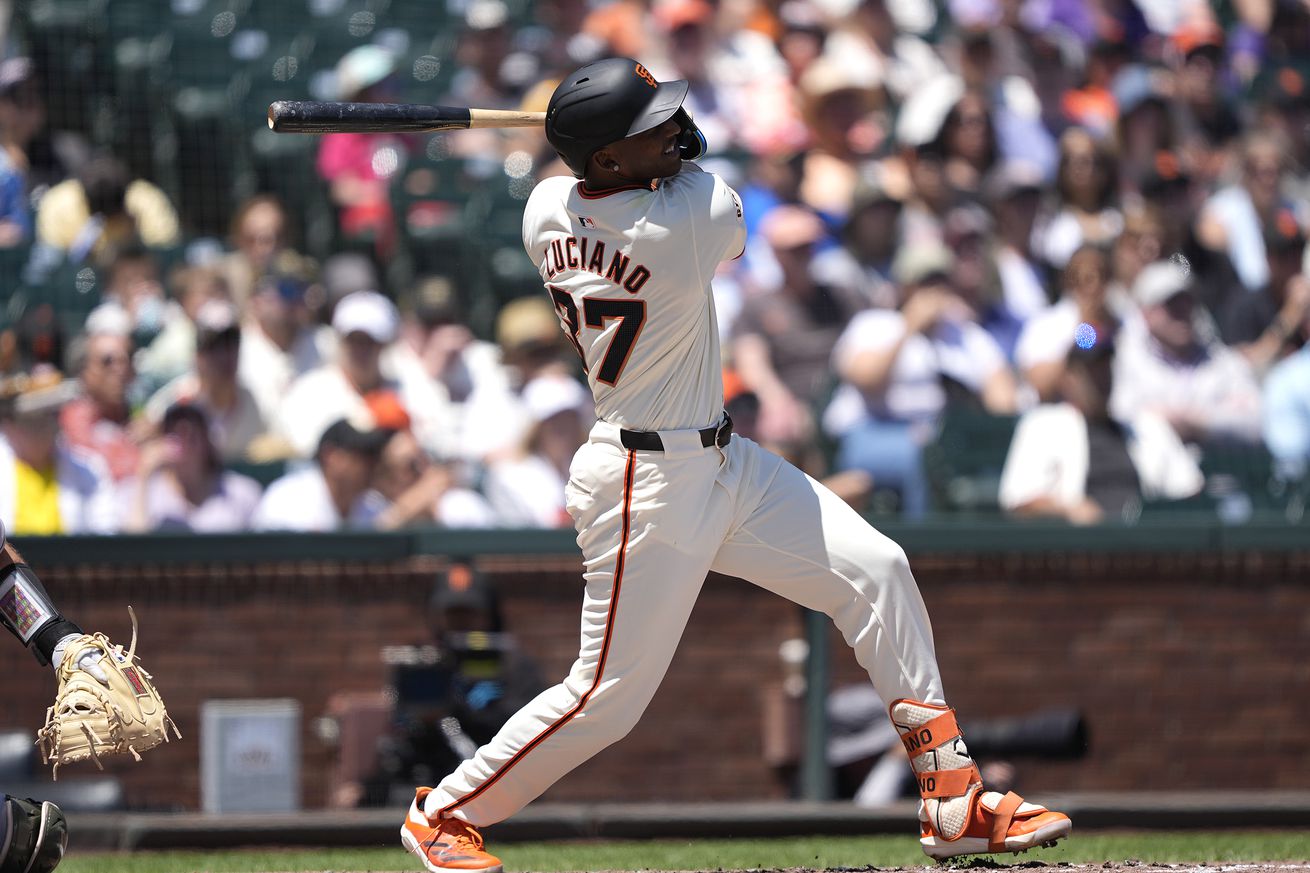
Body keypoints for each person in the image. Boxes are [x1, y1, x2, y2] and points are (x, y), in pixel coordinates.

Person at [399, 58, 1071, 873]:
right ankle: (444, 811)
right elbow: (704, 169)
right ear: (607, 160)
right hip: (643, 483)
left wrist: (609, 132)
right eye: (650, 128)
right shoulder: (687, 220)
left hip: (722, 459)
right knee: (606, 699)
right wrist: (635, 136)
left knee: (877, 568)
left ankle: (952, 794)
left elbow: (590, 171)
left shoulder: (546, 208)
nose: (673, 133)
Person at [999, 340, 1203, 525]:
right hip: (1079, 547)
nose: (1100, 379)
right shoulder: (1043, 424)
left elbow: (1190, 489)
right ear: (1068, 378)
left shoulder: (1146, 426)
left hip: (1145, 542)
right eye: (1091, 371)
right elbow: (1018, 500)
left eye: (1104, 369)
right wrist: (1067, 509)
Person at [144, 299, 268, 462]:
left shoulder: (254, 400)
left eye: (231, 344)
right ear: (198, 356)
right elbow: (144, 436)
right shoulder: (178, 399)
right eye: (214, 347)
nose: (225, 356)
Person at [0, 370, 116, 534]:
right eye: (31, 420)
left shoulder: (89, 469)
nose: (45, 427)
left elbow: (106, 534)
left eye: (51, 416)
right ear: (8, 425)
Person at [123, 404, 262, 532]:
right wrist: (144, 475)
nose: (185, 442)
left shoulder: (242, 491)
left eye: (192, 434)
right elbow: (133, 547)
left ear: (207, 441)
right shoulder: (142, 491)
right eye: (175, 434)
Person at [251, 418, 390, 531]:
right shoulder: (287, 500)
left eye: (375, 456)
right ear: (330, 456)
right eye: (363, 455)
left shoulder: (373, 504)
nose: (372, 465)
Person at [59, 310, 141, 482]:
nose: (120, 369)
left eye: (127, 359)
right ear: (84, 371)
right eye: (108, 361)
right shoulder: (75, 420)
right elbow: (104, 472)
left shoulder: (136, 413)